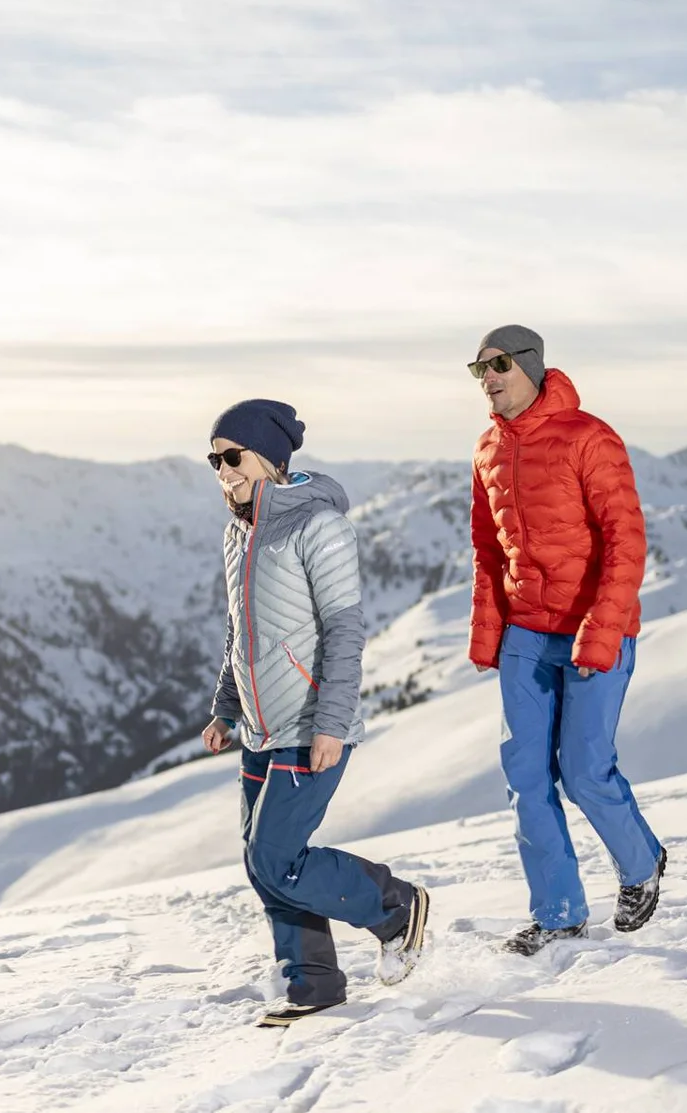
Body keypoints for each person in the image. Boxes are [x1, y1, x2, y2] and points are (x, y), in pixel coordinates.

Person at [199, 398, 430, 1026]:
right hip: (259, 727)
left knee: (276, 857)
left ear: (270, 459)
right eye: (213, 459)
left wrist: (331, 722)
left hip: (308, 725)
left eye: (232, 456)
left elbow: (344, 631)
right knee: (262, 859)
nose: (222, 470)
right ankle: (314, 983)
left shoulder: (317, 525)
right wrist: (225, 708)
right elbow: (239, 633)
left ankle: (395, 907)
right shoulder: (238, 531)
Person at [466, 325, 667, 955]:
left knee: (583, 772)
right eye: (479, 368)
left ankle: (642, 865)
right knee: (526, 777)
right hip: (527, 633)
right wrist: (487, 631)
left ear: (530, 366)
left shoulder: (589, 437)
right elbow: (487, 550)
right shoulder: (488, 449)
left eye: (498, 364)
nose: (488, 377)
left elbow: (626, 541)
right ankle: (557, 915)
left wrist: (601, 630)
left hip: (591, 631)